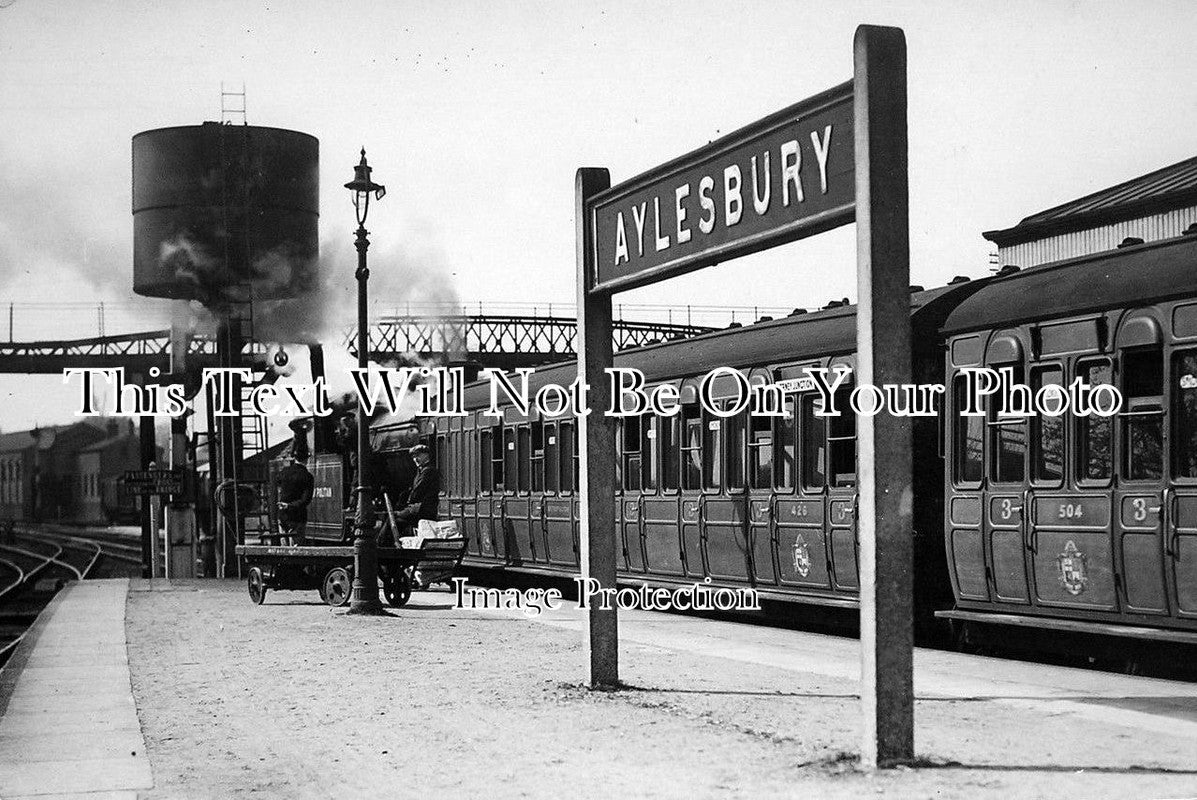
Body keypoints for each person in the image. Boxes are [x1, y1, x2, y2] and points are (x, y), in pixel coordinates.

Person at [391, 443, 440, 537]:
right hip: (419, 509)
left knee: (394, 521)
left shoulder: (428, 471)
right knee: (396, 518)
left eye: (418, 456)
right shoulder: (421, 470)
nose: (415, 459)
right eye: (413, 457)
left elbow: (417, 491)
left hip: (424, 510)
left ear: (426, 455)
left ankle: (383, 545)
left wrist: (407, 504)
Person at [276, 443, 314, 545]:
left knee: (284, 548)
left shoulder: (283, 472)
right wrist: (289, 506)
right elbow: (305, 500)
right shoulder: (307, 476)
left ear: (294, 458)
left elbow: (278, 487)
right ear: (307, 459)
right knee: (296, 549)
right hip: (297, 517)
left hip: (282, 516)